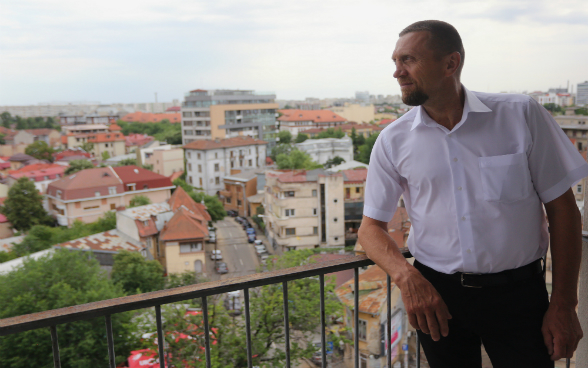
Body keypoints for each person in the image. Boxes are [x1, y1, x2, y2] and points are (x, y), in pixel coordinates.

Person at [358, 20, 585, 367]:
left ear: (451, 63)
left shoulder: (520, 115)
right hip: (437, 298)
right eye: (395, 62)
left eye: (409, 60)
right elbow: (369, 228)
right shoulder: (393, 140)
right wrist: (407, 277)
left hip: (519, 296)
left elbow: (564, 209)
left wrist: (565, 303)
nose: (398, 73)